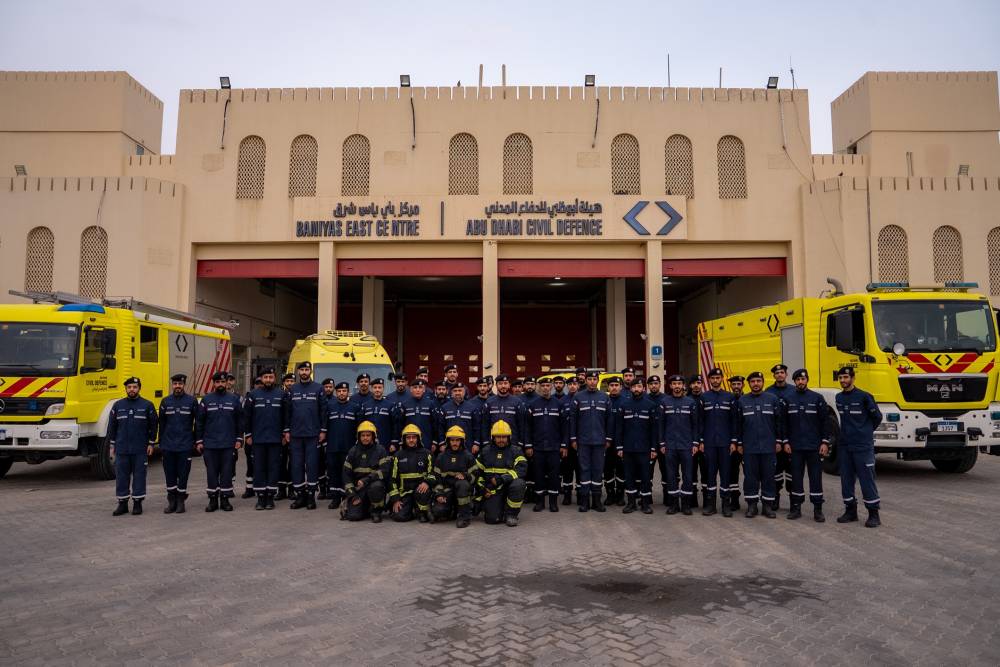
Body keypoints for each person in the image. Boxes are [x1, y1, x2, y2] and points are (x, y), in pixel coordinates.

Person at [835, 367, 883, 528]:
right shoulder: (839, 398)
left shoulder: (864, 397)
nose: (842, 380)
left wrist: (865, 432)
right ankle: (850, 511)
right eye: (840, 377)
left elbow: (877, 417)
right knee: (846, 480)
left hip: (862, 447)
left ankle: (873, 514)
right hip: (845, 446)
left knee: (867, 481)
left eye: (846, 377)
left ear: (853, 378)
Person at [784, 369, 831, 522]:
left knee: (815, 478)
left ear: (807, 380)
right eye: (798, 380)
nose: (801, 382)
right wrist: (785, 442)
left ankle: (818, 509)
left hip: (814, 447)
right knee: (796, 478)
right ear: (795, 381)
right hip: (795, 447)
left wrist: (825, 442)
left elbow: (825, 422)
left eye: (803, 379)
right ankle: (796, 508)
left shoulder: (817, 398)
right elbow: (782, 424)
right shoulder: (788, 399)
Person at [737, 371, 784, 519]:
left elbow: (779, 423)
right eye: (753, 381)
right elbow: (737, 425)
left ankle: (767, 506)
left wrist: (778, 441)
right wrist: (739, 443)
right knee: (750, 477)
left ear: (763, 382)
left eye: (758, 381)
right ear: (749, 384)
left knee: (768, 476)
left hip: (768, 446)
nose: (756, 384)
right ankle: (752, 505)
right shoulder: (742, 401)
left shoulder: (772, 399)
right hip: (749, 447)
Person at [109, 377, 157, 516]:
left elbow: (154, 426)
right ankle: (122, 504)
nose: (132, 389)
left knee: (139, 476)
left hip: (140, 448)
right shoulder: (118, 405)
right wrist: (112, 446)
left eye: (134, 387)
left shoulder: (147, 405)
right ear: (126, 389)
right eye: (129, 387)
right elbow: (112, 427)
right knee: (121, 476)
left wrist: (151, 443)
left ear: (139, 388)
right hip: (122, 448)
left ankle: (137, 503)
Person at [196, 371, 244, 512]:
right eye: (218, 382)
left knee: (227, 472)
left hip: (228, 444)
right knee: (211, 472)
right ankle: (212, 500)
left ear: (227, 383)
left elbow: (240, 421)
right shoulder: (206, 400)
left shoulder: (234, 399)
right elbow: (199, 422)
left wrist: (239, 438)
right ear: (214, 383)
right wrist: (199, 441)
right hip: (210, 444)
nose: (221, 384)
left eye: (223, 382)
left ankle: (225, 500)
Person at [283, 361, 326, 510]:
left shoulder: (318, 388)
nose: (304, 372)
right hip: (295, 435)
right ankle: (300, 496)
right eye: (302, 370)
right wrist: (287, 430)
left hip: (313, 434)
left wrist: (323, 430)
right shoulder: (292, 389)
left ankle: (310, 497)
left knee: (312, 465)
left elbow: (323, 411)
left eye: (307, 369)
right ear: (298, 372)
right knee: (296, 465)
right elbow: (287, 412)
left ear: (310, 371)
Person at [569, 370, 613, 512]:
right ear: (586, 381)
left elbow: (609, 420)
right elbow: (573, 420)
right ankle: (584, 502)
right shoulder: (578, 397)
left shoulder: (605, 398)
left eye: (595, 379)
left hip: (600, 442)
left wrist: (608, 438)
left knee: (598, 470)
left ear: (598, 381)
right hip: (583, 441)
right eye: (590, 379)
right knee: (584, 470)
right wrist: (573, 438)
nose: (592, 382)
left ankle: (597, 501)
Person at [616, 377, 660, 515]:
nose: (636, 389)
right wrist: (619, 447)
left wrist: (654, 448)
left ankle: (645, 504)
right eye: (634, 387)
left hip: (645, 449)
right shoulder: (624, 405)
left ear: (643, 388)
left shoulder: (650, 406)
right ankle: (631, 503)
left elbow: (654, 429)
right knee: (629, 476)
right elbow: (619, 429)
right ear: (630, 389)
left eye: (639, 387)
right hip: (628, 449)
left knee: (645, 477)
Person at [244, 367, 285, 510]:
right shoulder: (253, 395)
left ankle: (270, 497)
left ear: (275, 378)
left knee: (273, 468)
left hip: (275, 439)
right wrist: (248, 435)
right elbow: (247, 417)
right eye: (265, 377)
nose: (268, 379)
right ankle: (261, 497)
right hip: (258, 439)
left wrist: (285, 434)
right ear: (261, 379)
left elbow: (285, 417)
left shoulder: (281, 394)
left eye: (271, 377)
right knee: (259, 468)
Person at [700, 368, 739, 517]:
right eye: (713, 378)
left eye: (718, 377)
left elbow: (734, 421)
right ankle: (710, 505)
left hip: (725, 443)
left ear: (722, 379)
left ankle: (725, 505)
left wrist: (734, 441)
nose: (715, 380)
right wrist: (701, 440)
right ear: (709, 380)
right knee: (710, 474)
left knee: (725, 474)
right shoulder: (704, 397)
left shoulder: (729, 397)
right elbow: (700, 421)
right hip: (709, 443)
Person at [157, 373, 197, 514]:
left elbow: (197, 423)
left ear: (184, 385)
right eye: (175, 384)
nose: (177, 386)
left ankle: (181, 501)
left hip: (185, 445)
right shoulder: (165, 401)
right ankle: (172, 501)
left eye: (180, 384)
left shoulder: (191, 401)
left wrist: (196, 440)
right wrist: (160, 442)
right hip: (168, 445)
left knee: (183, 474)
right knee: (170, 474)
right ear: (172, 385)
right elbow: (161, 423)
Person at [475, 420, 528, 526]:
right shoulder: (485, 452)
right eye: (498, 437)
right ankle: (499, 508)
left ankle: (511, 515)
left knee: (519, 484)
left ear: (509, 437)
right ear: (493, 437)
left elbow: (522, 468)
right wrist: (483, 489)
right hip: (493, 490)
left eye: (504, 437)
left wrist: (503, 478)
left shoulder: (516, 451)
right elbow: (477, 473)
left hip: (509, 487)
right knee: (492, 519)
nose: (501, 440)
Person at [660, 374, 700, 515]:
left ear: (683, 386)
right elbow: (661, 425)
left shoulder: (690, 403)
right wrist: (662, 443)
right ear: (670, 386)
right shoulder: (665, 402)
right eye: (674, 384)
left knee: (688, 475)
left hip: (687, 446)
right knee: (671, 475)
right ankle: (673, 504)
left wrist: (695, 443)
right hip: (670, 446)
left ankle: (686, 504)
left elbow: (695, 425)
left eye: (679, 384)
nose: (677, 386)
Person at [524, 377, 565, 512]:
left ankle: (553, 503)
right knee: (538, 475)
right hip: (538, 447)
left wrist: (563, 445)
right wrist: (529, 445)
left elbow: (564, 427)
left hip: (554, 447)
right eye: (543, 386)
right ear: (539, 388)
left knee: (554, 476)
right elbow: (528, 428)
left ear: (551, 387)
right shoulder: (533, 405)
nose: (546, 388)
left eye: (548, 385)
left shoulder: (558, 404)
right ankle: (540, 502)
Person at [427, 426, 479, 527]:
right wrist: (439, 494)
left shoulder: (468, 456)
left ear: (462, 441)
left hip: (463, 491)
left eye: (457, 440)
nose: (455, 443)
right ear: (448, 441)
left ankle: (464, 517)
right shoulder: (441, 457)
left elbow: (475, 476)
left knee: (462, 484)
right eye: (452, 440)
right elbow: (436, 478)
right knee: (438, 511)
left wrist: (466, 475)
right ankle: (453, 511)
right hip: (447, 492)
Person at [342, 421, 392, 523]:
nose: (365, 438)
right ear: (358, 437)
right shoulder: (353, 451)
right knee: (354, 517)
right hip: (359, 489)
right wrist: (352, 495)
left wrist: (367, 479)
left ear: (373, 436)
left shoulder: (380, 450)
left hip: (374, 485)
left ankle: (376, 512)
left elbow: (384, 471)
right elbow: (346, 476)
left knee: (376, 486)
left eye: (368, 435)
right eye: (363, 435)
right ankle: (364, 507)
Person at [321, 381, 359, 510]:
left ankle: (346, 497)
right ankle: (335, 498)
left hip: (348, 447)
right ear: (336, 392)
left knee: (346, 473)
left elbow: (357, 429)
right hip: (333, 446)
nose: (342, 393)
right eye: (339, 391)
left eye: (344, 391)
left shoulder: (354, 407)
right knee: (333, 472)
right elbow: (325, 426)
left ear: (348, 392)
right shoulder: (330, 406)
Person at [388, 423, 434, 522]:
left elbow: (433, 473)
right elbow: (392, 479)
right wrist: (396, 499)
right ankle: (411, 511)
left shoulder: (427, 454)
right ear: (404, 439)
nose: (411, 440)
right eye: (408, 437)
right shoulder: (397, 456)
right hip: (404, 494)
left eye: (414, 437)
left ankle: (421, 512)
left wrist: (427, 482)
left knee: (424, 517)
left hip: (421, 492)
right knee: (399, 517)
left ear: (418, 438)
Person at [765, 364, 795, 511]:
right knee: (775, 471)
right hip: (775, 437)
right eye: (776, 373)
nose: (779, 375)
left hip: (790, 436)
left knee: (791, 472)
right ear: (773, 376)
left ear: (786, 374)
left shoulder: (793, 390)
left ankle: (792, 500)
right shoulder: (768, 392)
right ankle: (775, 499)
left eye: (782, 372)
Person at [480, 374, 526, 456]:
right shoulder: (489, 402)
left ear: (509, 385)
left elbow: (522, 424)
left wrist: (520, 442)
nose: (503, 386)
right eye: (500, 384)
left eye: (505, 383)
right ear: (496, 385)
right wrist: (486, 442)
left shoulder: (517, 402)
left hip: (513, 443)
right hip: (493, 443)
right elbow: (485, 424)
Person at [394, 378, 439, 454]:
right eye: (415, 387)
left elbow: (435, 424)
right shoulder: (405, 405)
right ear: (410, 390)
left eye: (420, 387)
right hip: (409, 443)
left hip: (427, 442)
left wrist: (434, 442)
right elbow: (400, 425)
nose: (418, 390)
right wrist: (400, 442)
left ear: (424, 390)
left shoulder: (431, 404)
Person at [603, 376, 626, 507]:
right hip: (606, 444)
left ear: (621, 387)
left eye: (616, 385)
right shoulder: (604, 401)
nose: (614, 387)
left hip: (621, 443)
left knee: (621, 470)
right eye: (611, 385)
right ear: (608, 387)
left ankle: (620, 495)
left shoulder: (626, 402)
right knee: (607, 470)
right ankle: (610, 495)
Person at [559, 375, 581, 505]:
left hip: (580, 442)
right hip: (566, 443)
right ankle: (567, 495)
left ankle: (579, 495)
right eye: (570, 384)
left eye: (575, 384)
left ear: (578, 385)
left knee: (580, 470)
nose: (573, 386)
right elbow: (560, 425)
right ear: (567, 386)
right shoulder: (562, 401)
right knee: (567, 470)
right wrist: (563, 444)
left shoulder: (583, 399)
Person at [687, 374, 708, 509]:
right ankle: (692, 499)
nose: (696, 385)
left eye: (698, 383)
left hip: (706, 442)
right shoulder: (686, 399)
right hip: (690, 443)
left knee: (706, 472)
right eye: (693, 383)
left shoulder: (707, 399)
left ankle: (707, 500)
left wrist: (703, 440)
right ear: (690, 385)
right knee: (691, 471)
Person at [361, 378, 395, 453]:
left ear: (383, 389)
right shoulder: (365, 405)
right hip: (368, 443)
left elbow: (394, 425)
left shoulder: (390, 405)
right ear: (371, 389)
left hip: (385, 442)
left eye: (380, 387)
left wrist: (393, 442)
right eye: (375, 387)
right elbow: (360, 424)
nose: (377, 390)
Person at [727, 375, 745, 509]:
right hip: (732, 444)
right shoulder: (728, 400)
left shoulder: (748, 399)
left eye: (739, 384)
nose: (736, 387)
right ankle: (734, 499)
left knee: (750, 473)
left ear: (743, 385)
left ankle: (752, 500)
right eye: (734, 384)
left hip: (747, 444)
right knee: (732, 472)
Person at [439, 384, 476, 451]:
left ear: (464, 392)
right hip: (449, 445)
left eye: (460, 390)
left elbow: (476, 427)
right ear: (451, 393)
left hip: (468, 445)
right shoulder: (444, 407)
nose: (457, 393)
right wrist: (442, 443)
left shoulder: (472, 407)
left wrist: (476, 443)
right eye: (455, 391)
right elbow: (440, 427)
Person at [277, 372, 296, 500]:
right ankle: (281, 490)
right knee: (280, 463)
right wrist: (283, 434)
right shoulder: (280, 395)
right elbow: (279, 417)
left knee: (294, 464)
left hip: (295, 435)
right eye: (287, 381)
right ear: (284, 383)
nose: (289, 383)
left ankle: (292, 490)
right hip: (282, 435)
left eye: (292, 381)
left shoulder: (298, 395)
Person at [317, 378, 334, 500]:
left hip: (331, 438)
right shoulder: (318, 400)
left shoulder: (335, 401)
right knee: (319, 464)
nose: (328, 389)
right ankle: (322, 489)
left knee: (330, 464)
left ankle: (330, 488)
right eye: (326, 386)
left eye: (330, 387)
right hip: (318, 437)